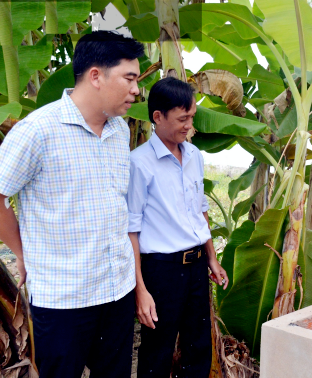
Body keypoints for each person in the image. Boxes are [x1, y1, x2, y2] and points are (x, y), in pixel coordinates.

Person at [0, 31, 144, 377]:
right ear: (96, 76)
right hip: (64, 298)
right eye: (130, 78)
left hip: (117, 290)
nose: (137, 89)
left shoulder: (119, 130)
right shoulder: (38, 131)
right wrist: (22, 252)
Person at [127, 77, 229, 378]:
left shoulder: (194, 155)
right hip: (162, 271)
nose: (189, 125)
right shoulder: (139, 163)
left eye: (192, 117)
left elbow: (200, 210)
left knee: (198, 348)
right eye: (182, 119)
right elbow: (130, 229)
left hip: (197, 267)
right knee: (157, 350)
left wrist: (211, 257)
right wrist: (140, 289)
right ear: (158, 117)